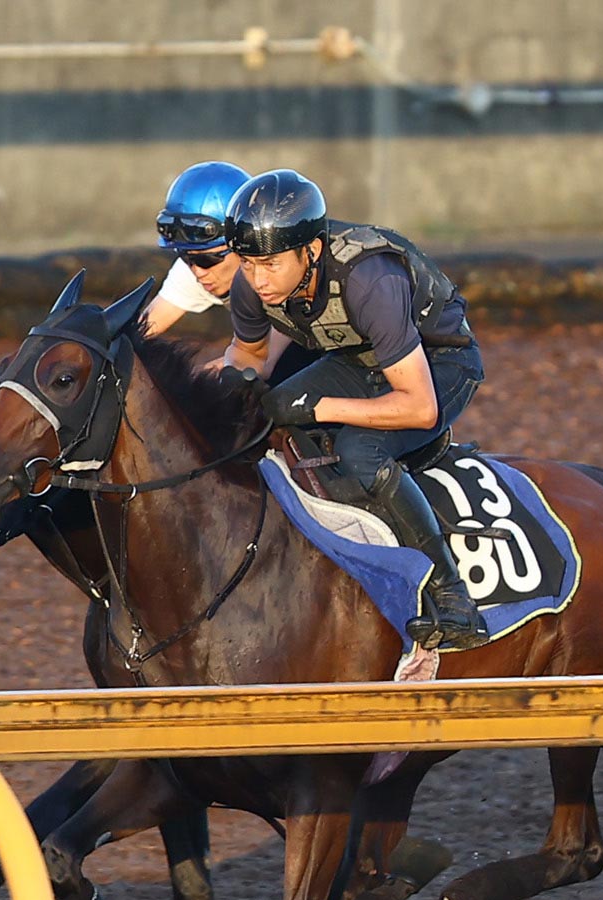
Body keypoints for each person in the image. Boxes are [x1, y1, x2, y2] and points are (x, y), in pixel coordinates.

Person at [218, 168, 490, 652]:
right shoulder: (252, 284)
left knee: (359, 450)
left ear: (311, 250)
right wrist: (229, 390)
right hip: (357, 360)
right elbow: (249, 356)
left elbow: (420, 408)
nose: (258, 280)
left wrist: (318, 407)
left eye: (271, 264)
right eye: (248, 264)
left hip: (439, 367)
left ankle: (453, 596)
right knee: (263, 414)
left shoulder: (370, 280)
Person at [143, 160, 307, 381]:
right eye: (185, 257)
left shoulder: (281, 270)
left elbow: (264, 363)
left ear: (243, 247)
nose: (198, 272)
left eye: (208, 259)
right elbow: (141, 330)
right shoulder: (195, 267)